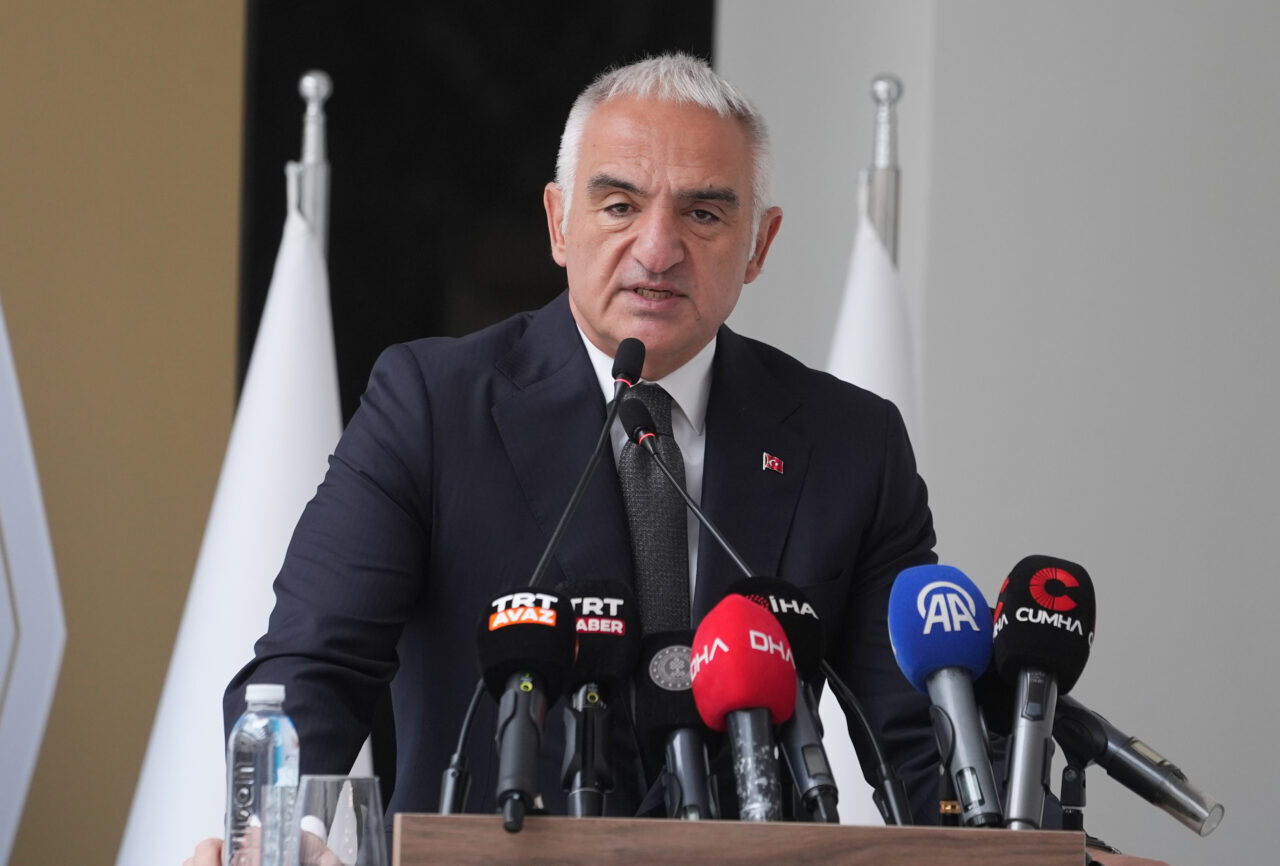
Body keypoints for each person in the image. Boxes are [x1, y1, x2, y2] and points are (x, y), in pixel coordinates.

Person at [191, 52, 938, 863]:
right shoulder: (432, 407)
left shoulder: (851, 444)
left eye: (703, 215)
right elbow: (313, 667)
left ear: (759, 244)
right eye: (619, 206)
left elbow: (919, 745)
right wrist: (285, 839)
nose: (657, 249)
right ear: (558, 223)